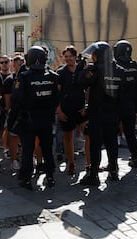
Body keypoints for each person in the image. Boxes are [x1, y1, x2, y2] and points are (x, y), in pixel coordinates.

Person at [8, 46, 59, 190]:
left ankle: (26, 179)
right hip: (46, 120)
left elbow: (16, 101)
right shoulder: (52, 76)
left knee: (28, 150)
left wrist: (11, 122)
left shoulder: (24, 77)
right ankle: (50, 176)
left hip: (28, 120)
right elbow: (56, 99)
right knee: (47, 149)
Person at [76, 41, 122, 185]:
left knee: (95, 145)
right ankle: (114, 170)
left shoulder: (95, 70)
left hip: (97, 113)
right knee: (111, 143)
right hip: (113, 113)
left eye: (94, 55)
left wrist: (81, 69)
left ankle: (93, 175)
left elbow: (80, 83)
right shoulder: (119, 69)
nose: (93, 57)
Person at [56, 45, 87, 175]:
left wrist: (87, 106)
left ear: (75, 57)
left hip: (81, 109)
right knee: (68, 137)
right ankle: (71, 163)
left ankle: (89, 164)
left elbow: (88, 89)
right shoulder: (60, 72)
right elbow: (56, 94)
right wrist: (59, 111)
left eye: (70, 56)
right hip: (66, 109)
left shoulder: (82, 71)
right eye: (66, 56)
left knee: (87, 135)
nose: (68, 59)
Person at [113, 40, 137, 168]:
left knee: (112, 134)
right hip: (130, 106)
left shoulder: (114, 66)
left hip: (115, 106)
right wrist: (136, 108)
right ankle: (135, 157)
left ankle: (112, 163)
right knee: (130, 133)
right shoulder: (135, 66)